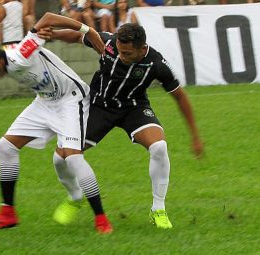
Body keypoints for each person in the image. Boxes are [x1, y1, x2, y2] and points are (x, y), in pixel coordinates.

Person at [39, 23, 203, 229]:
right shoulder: (108, 43)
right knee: (60, 157)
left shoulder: (157, 64)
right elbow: (76, 35)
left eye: (127, 53)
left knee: (159, 147)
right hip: (99, 106)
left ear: (142, 49)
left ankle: (158, 209)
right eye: (119, 50)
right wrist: (52, 34)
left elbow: (180, 96)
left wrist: (195, 136)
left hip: (133, 108)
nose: (120, 56)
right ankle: (75, 196)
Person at [0, 12, 112, 234]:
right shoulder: (7, 55)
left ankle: (101, 218)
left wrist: (87, 30)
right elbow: (39, 32)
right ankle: (7, 214)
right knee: (5, 146)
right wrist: (38, 34)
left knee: (72, 158)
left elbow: (48, 17)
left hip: (71, 99)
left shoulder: (18, 57)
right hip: (45, 101)